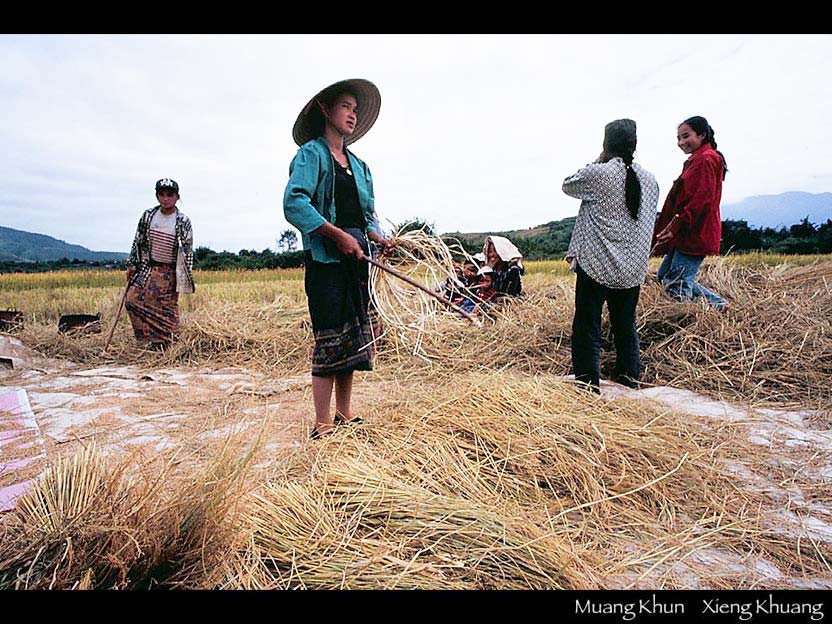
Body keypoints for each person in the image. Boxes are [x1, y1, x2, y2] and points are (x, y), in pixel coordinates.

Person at [283, 78, 392, 440]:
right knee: (329, 339)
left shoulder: (360, 167)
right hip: (327, 261)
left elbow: (368, 215)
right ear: (325, 110)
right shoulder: (310, 156)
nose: (351, 114)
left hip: (358, 260)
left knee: (353, 339)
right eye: (345, 106)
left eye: (355, 109)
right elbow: (295, 203)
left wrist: (378, 237)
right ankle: (322, 423)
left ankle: (345, 414)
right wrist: (338, 235)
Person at [563, 119, 660, 393]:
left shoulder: (599, 174)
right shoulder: (651, 180)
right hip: (632, 269)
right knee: (625, 326)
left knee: (587, 326)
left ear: (605, 145)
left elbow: (568, 185)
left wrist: (600, 159)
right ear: (635, 145)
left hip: (597, 264)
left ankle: (587, 385)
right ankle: (630, 379)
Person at [652, 115, 729, 311]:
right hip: (687, 230)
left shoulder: (706, 159)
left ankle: (685, 324)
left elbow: (701, 200)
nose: (681, 142)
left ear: (702, 135)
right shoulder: (698, 160)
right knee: (666, 277)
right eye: (678, 138)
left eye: (686, 136)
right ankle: (719, 306)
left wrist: (677, 223)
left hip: (695, 230)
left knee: (677, 284)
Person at [125, 178, 195, 350]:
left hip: (169, 271)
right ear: (157, 196)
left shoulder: (182, 221)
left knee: (166, 309)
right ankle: (148, 340)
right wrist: (132, 265)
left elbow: (187, 251)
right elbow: (138, 241)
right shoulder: (148, 216)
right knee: (132, 301)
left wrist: (182, 278)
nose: (165, 199)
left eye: (170, 195)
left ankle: (168, 342)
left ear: (177, 197)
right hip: (147, 267)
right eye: (161, 194)